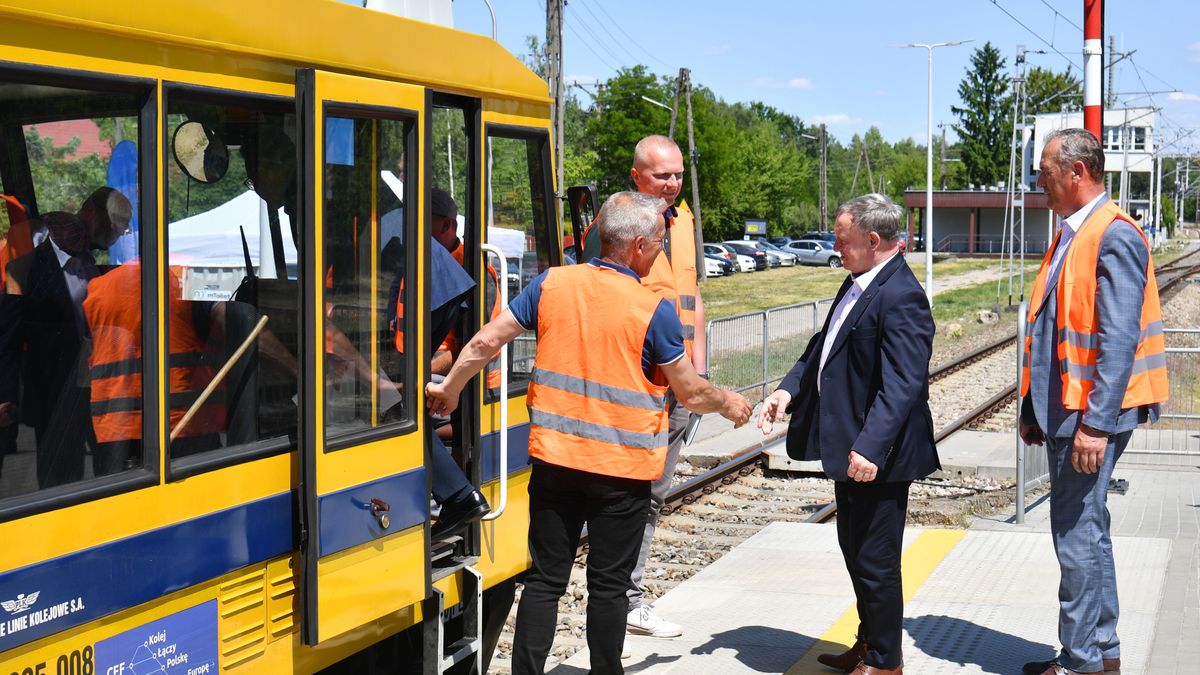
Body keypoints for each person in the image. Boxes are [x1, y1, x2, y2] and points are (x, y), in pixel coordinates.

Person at [427, 191, 751, 675]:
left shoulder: (551, 284)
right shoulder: (652, 310)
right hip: (620, 476)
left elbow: (486, 340)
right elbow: (689, 391)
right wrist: (730, 402)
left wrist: (451, 389)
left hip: (556, 465)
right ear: (638, 245)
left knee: (544, 582)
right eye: (660, 243)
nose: (662, 252)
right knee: (608, 587)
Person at [759, 193, 939, 675]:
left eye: (843, 239)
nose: (836, 247)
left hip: (878, 455)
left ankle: (885, 663)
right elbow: (823, 347)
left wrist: (870, 447)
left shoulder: (902, 295)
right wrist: (787, 391)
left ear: (874, 240)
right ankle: (868, 642)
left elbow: (904, 384)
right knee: (855, 552)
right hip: (851, 449)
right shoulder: (857, 283)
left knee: (876, 561)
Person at [1018, 129, 1167, 675]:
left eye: (1045, 171)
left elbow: (1118, 339)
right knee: (1090, 531)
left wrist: (1095, 427)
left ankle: (1079, 662)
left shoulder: (1112, 235)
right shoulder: (1072, 234)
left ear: (1077, 173)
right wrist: (1034, 408)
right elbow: (1053, 327)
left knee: (1076, 538)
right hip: (1066, 410)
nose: (1040, 183)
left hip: (1089, 417)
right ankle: (1102, 655)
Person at [620, 134, 708, 639]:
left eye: (677, 174)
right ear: (637, 177)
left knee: (653, 493)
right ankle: (623, 599)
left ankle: (628, 598)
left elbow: (693, 293)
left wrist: (696, 369)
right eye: (661, 176)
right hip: (639, 383)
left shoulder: (684, 219)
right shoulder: (621, 225)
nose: (672, 184)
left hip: (677, 381)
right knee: (633, 494)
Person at [0, 188, 131, 490]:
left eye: (121, 227)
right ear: (88, 212)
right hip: (54, 391)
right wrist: (6, 394)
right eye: (113, 221)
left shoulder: (89, 263)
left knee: (109, 474)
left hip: (98, 387)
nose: (115, 232)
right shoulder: (28, 266)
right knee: (60, 479)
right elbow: (8, 332)